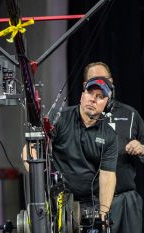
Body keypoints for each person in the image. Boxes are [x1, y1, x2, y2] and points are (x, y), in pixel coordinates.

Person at [22, 76, 118, 230]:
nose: (93, 99)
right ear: (82, 96)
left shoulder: (109, 135)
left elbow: (107, 175)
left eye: (100, 97)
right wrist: (42, 184)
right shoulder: (59, 118)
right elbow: (30, 150)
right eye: (90, 93)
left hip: (88, 203)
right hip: (56, 200)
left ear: (108, 104)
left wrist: (103, 215)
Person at [83, 62, 144, 233]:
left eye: (103, 80)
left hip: (125, 202)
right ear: (84, 87)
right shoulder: (76, 117)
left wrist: (143, 149)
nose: (99, 85)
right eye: (93, 81)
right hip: (90, 203)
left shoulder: (129, 113)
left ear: (111, 83)